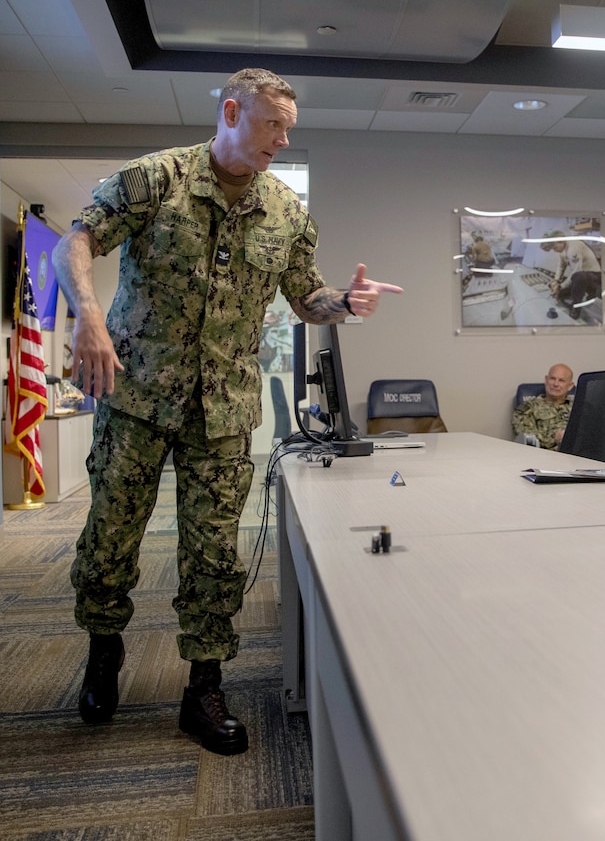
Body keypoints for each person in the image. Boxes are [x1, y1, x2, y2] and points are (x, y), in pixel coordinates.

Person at [54, 68, 403, 755]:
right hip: (138, 396)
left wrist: (347, 303)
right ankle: (103, 651)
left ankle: (203, 687)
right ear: (233, 111)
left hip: (222, 409)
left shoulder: (286, 211)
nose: (283, 138)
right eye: (273, 124)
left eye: (289, 128)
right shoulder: (157, 179)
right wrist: (87, 318)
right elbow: (78, 240)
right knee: (109, 539)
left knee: (215, 552)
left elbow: (306, 298)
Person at [512, 363, 605, 466]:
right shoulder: (528, 407)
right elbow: (526, 437)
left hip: (588, 455)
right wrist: (555, 438)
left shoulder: (582, 405)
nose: (555, 384)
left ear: (570, 386)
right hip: (552, 458)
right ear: (546, 380)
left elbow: (598, 425)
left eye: (561, 380)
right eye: (552, 379)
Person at [542, 230, 602, 319]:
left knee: (578, 277)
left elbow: (576, 271)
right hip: (581, 275)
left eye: (554, 247)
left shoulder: (573, 247)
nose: (554, 251)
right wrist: (556, 280)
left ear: (560, 241)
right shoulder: (562, 250)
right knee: (560, 294)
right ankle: (571, 294)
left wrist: (560, 287)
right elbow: (561, 266)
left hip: (594, 276)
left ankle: (576, 308)